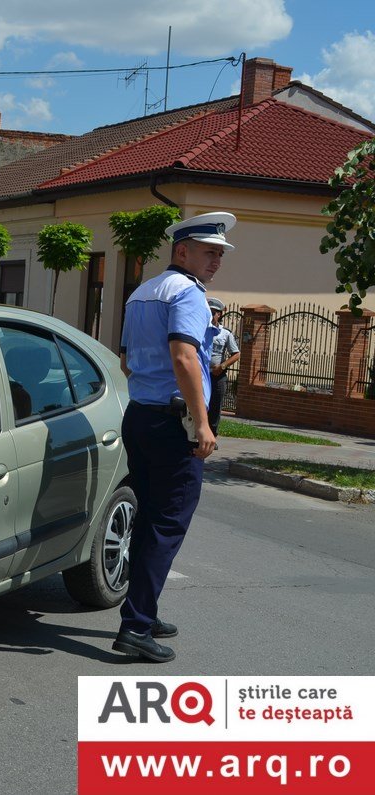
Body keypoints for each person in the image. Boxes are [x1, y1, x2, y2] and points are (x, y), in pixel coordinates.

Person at [114, 211, 233, 663]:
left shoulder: (142, 291)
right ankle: (136, 626)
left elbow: (127, 360)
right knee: (168, 524)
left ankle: (144, 609)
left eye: (220, 253)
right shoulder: (188, 294)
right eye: (208, 251)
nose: (216, 259)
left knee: (150, 518)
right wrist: (202, 423)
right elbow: (185, 358)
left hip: (141, 415)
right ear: (181, 250)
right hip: (173, 420)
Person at [207, 297, 240, 436]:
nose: (210, 314)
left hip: (217, 375)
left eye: (213, 312)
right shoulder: (199, 329)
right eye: (208, 311)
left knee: (215, 407)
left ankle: (212, 435)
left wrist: (222, 366)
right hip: (201, 373)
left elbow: (236, 354)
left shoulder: (225, 333)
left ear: (219, 314)